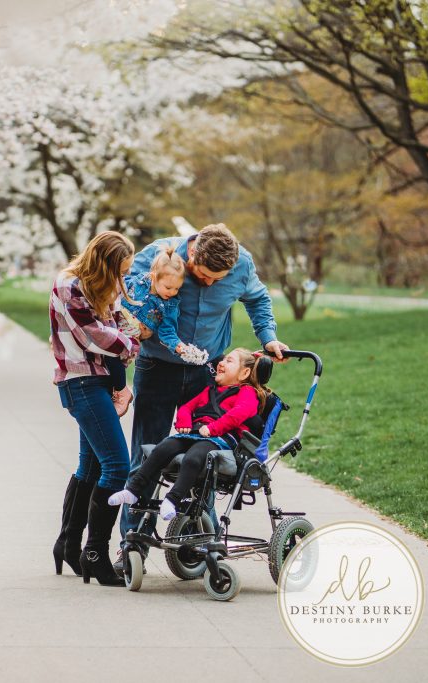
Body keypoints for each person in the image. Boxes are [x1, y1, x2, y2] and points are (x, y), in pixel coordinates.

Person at [116, 224, 289, 571]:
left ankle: (200, 542)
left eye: (218, 278)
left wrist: (268, 337)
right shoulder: (160, 255)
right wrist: (133, 326)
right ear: (191, 254)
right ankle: (133, 547)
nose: (209, 283)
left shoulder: (241, 265)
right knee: (147, 453)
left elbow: (257, 298)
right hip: (157, 366)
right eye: (204, 276)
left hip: (207, 371)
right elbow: (120, 296)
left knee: (205, 458)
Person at [50, 231, 139, 586]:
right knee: (118, 467)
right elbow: (96, 336)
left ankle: (68, 546)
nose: (123, 279)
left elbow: (119, 325)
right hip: (81, 382)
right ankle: (96, 555)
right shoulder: (70, 285)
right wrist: (130, 345)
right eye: (121, 269)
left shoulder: (104, 287)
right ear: (105, 264)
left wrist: (125, 343)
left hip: (99, 382)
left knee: (91, 466)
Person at [108, 348, 271, 519]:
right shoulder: (209, 391)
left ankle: (172, 500)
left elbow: (239, 413)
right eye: (223, 360)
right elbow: (187, 407)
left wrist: (213, 428)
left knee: (193, 458)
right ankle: (133, 490)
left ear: (244, 373)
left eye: (229, 361)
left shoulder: (247, 393)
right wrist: (184, 421)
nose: (221, 363)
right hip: (196, 434)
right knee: (163, 447)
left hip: (221, 439)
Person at [120, 245, 208, 365]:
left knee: (115, 373)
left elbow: (167, 330)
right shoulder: (138, 281)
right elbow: (118, 288)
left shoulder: (170, 306)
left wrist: (179, 347)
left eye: (177, 288)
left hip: (128, 344)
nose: (172, 292)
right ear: (153, 277)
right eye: (168, 287)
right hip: (112, 327)